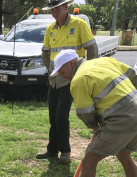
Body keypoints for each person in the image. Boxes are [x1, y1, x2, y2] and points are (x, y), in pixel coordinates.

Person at [43, 50, 137, 177]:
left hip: (123, 119)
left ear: (71, 63)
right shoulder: (103, 62)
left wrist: (95, 126)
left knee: (89, 160)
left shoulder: (79, 80)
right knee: (124, 155)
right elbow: (135, 76)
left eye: (62, 72)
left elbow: (86, 114)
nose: (63, 77)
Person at [37, 0, 98, 164]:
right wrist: (51, 71)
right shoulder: (50, 28)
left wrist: (87, 73)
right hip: (54, 79)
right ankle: (52, 150)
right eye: (51, 10)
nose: (53, 13)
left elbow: (92, 49)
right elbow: (45, 52)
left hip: (72, 79)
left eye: (56, 9)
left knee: (61, 116)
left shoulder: (79, 24)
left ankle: (65, 151)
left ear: (66, 7)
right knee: (52, 117)